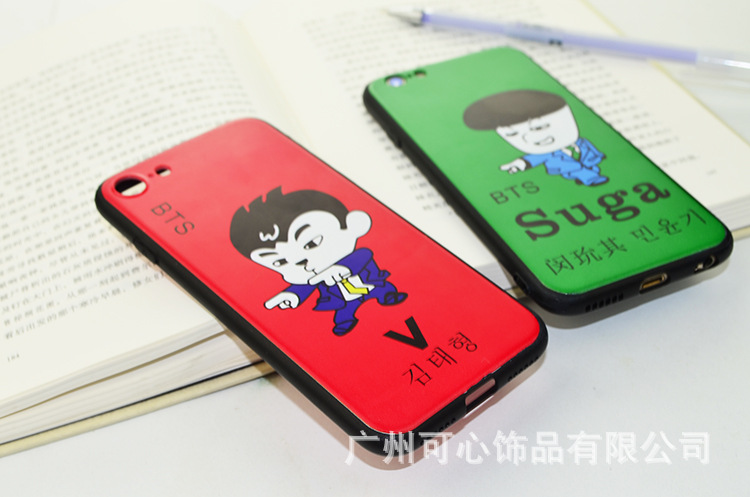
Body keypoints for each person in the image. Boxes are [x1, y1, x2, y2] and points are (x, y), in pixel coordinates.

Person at [230, 187, 407, 335]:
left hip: (368, 284)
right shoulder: (314, 276)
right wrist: (292, 296)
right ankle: (345, 322)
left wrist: (341, 269)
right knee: (345, 311)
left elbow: (363, 256)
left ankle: (388, 296)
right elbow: (305, 286)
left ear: (353, 225)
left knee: (382, 290)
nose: (300, 262)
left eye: (312, 243)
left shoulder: (360, 255)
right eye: (280, 262)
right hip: (342, 298)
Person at [463, 89, 608, 186]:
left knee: (589, 166)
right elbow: (533, 158)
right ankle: (589, 178)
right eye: (511, 134)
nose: (532, 138)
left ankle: (590, 175)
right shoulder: (548, 153)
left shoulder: (582, 142)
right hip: (567, 167)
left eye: (540, 126)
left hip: (587, 161)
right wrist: (519, 164)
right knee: (577, 169)